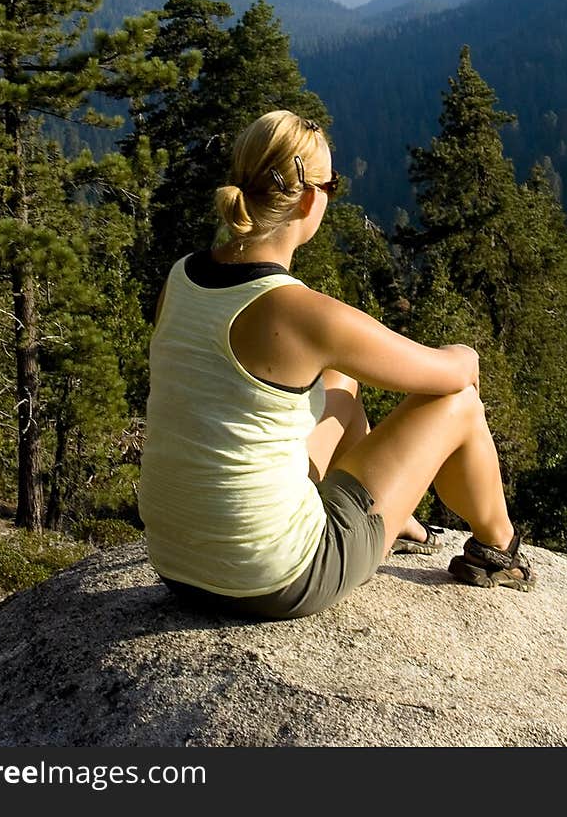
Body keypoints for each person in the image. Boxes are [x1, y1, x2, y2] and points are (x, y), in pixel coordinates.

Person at [138, 109, 534, 620]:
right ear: (308, 199)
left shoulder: (181, 277)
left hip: (176, 565)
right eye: (333, 185)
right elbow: (452, 376)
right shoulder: (300, 312)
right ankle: (497, 548)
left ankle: (399, 521)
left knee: (339, 380)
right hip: (270, 579)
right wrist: (468, 354)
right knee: (459, 403)